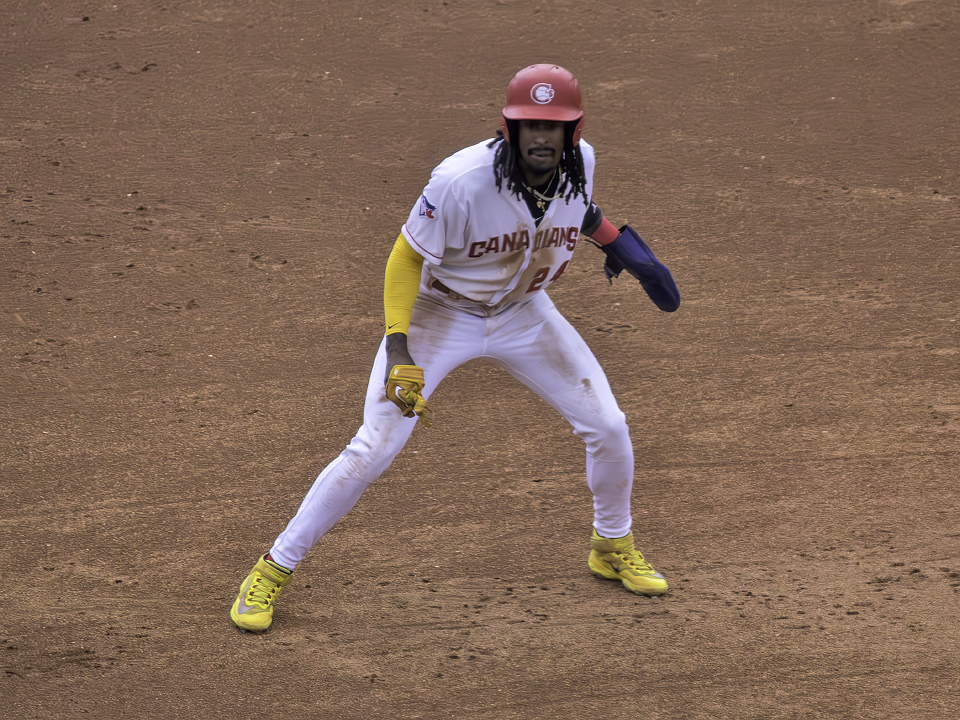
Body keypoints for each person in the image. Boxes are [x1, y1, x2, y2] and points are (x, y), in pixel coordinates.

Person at [230, 64, 681, 632]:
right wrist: (400, 350)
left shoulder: (581, 163)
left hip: (524, 312)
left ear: (574, 132)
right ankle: (274, 567)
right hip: (439, 314)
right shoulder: (460, 180)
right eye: (530, 125)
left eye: (554, 127)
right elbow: (405, 257)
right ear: (509, 128)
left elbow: (576, 209)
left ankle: (610, 544)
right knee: (374, 447)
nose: (542, 137)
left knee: (609, 426)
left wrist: (622, 246)